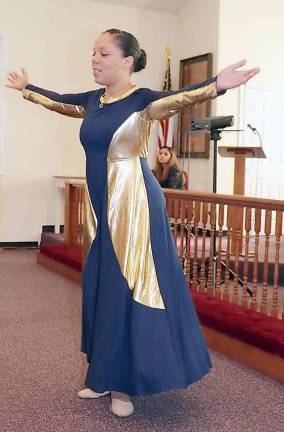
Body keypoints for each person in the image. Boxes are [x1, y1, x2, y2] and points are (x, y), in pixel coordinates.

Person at [6, 28, 259, 418]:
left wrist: (216, 86)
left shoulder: (143, 101)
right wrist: (28, 87)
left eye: (103, 53)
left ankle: (127, 383)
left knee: (129, 286)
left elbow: (178, 98)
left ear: (127, 60)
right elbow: (58, 102)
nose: (94, 59)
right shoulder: (92, 100)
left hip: (134, 204)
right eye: (93, 52)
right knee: (102, 285)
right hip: (99, 207)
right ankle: (103, 375)